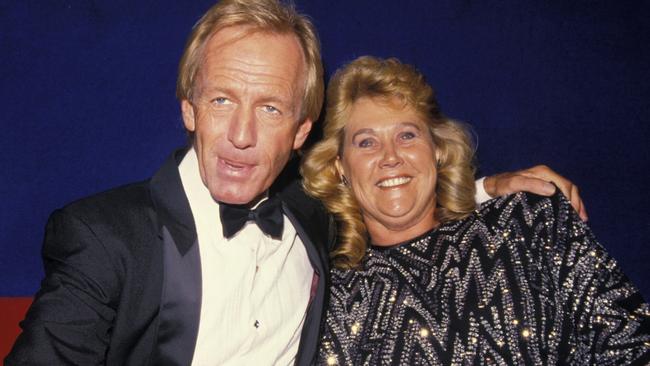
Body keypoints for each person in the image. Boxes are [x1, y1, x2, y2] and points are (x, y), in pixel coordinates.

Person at [7, 1, 587, 365]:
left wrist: (491, 186)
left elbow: (387, 189)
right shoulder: (104, 236)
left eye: (270, 109)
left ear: (301, 129)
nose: (240, 134)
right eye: (222, 99)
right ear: (189, 108)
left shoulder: (309, 217)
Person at [302, 56, 650, 365]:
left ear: (437, 149)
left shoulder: (528, 221)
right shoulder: (329, 296)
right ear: (340, 167)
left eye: (407, 135)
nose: (390, 156)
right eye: (366, 142)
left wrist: (481, 191)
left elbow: (631, 344)